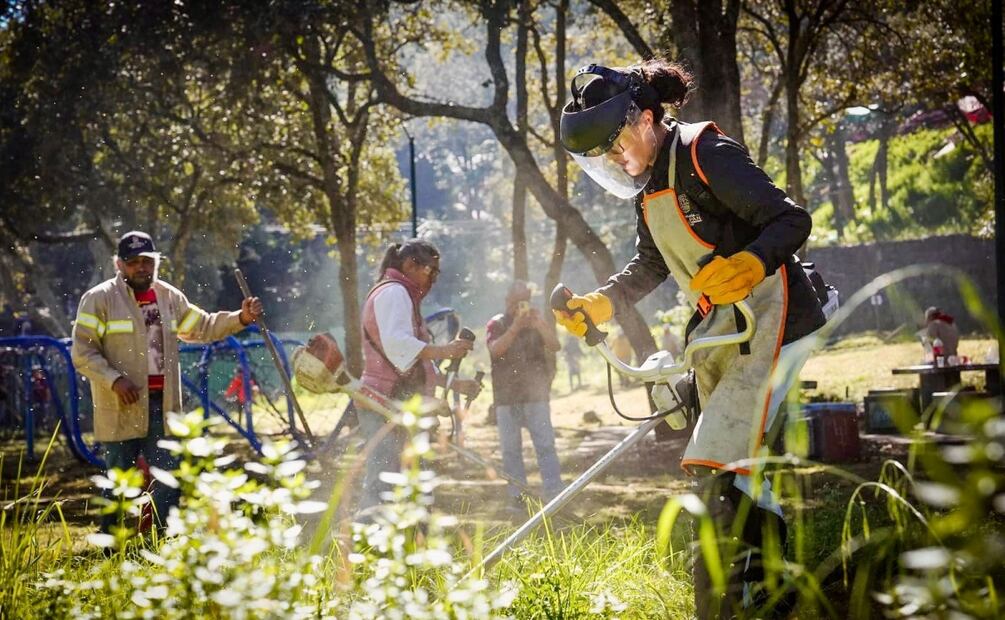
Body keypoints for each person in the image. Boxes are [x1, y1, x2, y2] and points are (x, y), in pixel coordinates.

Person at [554, 58, 826, 617]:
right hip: (725, 330)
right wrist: (600, 302)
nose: (615, 159)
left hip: (777, 319)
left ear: (648, 117)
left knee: (718, 465)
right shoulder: (651, 182)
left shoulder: (705, 153)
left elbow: (791, 220)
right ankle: (774, 592)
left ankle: (729, 603)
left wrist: (752, 262)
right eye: (603, 155)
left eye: (617, 144)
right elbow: (650, 263)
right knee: (736, 467)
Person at [72, 231, 263, 533]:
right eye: (133, 262)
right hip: (120, 404)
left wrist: (240, 318)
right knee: (118, 481)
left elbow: (203, 326)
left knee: (169, 477)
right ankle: (111, 545)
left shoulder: (169, 297)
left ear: (156, 263)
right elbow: (83, 352)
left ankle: (159, 542)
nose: (141, 268)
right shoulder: (99, 299)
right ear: (119, 264)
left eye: (147, 261)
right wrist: (114, 380)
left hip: (163, 405)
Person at [355, 239, 480, 518]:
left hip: (395, 401)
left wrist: (456, 384)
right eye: (430, 271)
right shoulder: (395, 292)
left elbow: (413, 363)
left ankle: (411, 546)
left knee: (412, 481)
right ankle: (367, 548)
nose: (433, 279)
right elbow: (398, 346)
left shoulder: (401, 293)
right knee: (383, 482)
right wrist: (445, 350)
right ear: (410, 265)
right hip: (384, 403)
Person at [486, 281, 564, 512]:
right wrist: (515, 327)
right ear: (507, 301)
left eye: (525, 299)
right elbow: (495, 350)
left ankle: (555, 493)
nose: (521, 305)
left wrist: (539, 324)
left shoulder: (537, 321)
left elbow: (555, 345)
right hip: (506, 398)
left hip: (536, 396)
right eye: (517, 300)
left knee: (546, 446)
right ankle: (517, 497)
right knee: (511, 450)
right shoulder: (496, 323)